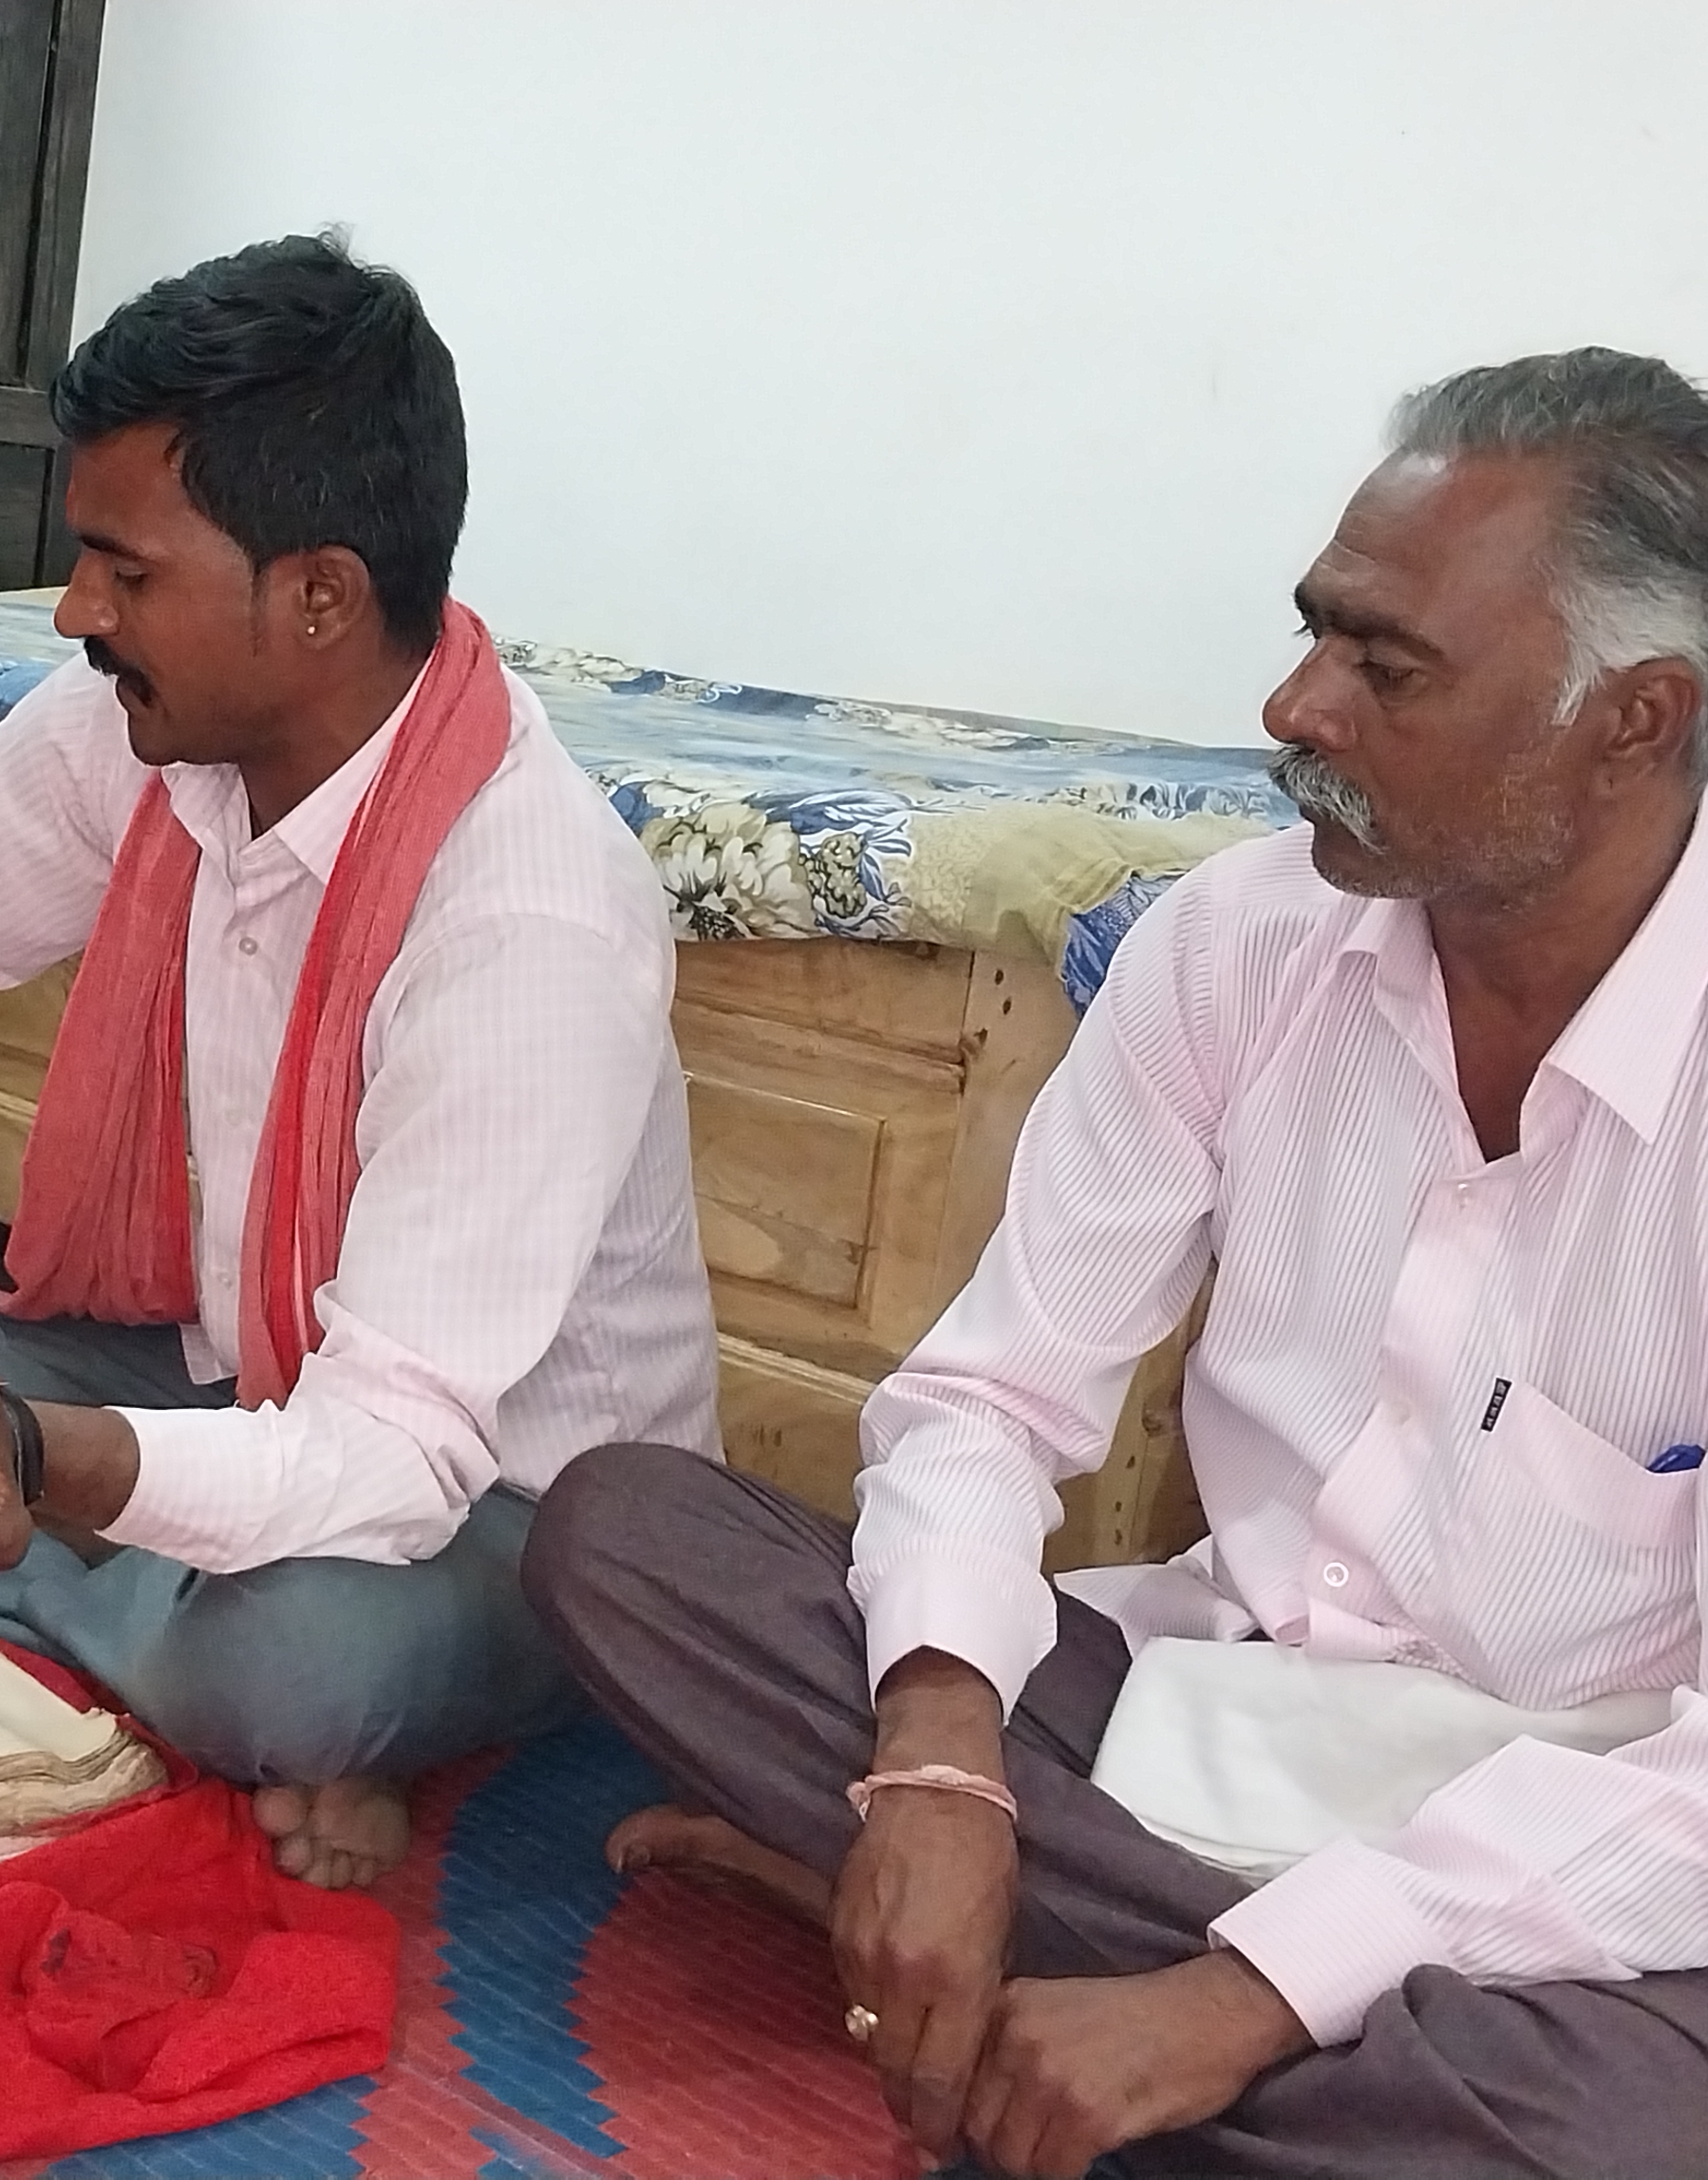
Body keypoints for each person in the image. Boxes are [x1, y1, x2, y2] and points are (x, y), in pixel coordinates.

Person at [525, 345, 1708, 2180]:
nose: (1294, 707)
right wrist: (937, 1762)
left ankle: (1070, 2004)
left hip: (1570, 1837)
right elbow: (991, 1398)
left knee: (1641, 2117)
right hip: (1185, 1718)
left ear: (1631, 718)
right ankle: (1145, 2035)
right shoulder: (1235, 945)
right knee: (624, 1539)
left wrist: (1240, 1996)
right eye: (1313, 632)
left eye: (1384, 667)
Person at [0, 235, 722, 1889]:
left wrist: (28, 1466)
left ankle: (170, 1645)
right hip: (217, 1371)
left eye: (122, 573)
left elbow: (395, 1451)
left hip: (505, 1498)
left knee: (287, 1667)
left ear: (318, 597)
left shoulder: (528, 917)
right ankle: (143, 1631)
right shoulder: (140, 732)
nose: (75, 614)